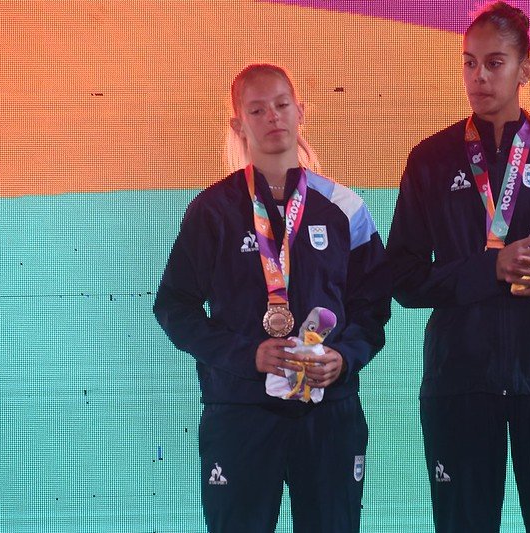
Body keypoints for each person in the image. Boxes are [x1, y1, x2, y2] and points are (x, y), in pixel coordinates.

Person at [386, 2, 530, 532]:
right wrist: (489, 269)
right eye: (469, 63)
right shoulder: (430, 160)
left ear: (525, 70)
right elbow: (402, 277)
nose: (479, 76)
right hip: (460, 382)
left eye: (495, 63)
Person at [153, 63, 390, 532]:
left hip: (329, 412)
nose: (273, 117)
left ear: (300, 111)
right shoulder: (212, 211)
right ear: (239, 125)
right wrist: (247, 355)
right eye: (257, 110)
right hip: (241, 412)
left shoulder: (346, 207)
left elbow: (373, 306)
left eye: (282, 105)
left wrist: (344, 357)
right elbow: (174, 306)